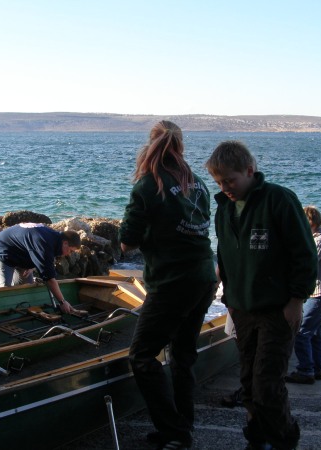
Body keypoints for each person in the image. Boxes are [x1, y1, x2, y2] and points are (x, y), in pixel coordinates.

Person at [205, 140, 317, 450]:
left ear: (250, 171)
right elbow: (225, 254)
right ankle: (258, 439)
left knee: (268, 384)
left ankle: (284, 440)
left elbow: (304, 254)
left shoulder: (279, 200)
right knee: (248, 385)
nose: (225, 187)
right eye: (219, 181)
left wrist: (297, 300)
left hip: (277, 309)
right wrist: (222, 290)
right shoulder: (224, 209)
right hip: (242, 308)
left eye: (231, 179)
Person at [119, 120, 216, 450]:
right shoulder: (198, 183)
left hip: (173, 281)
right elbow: (194, 227)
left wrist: (144, 237)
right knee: (183, 355)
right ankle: (182, 427)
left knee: (142, 357)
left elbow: (127, 240)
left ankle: (174, 432)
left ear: (151, 143)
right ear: (181, 145)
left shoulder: (149, 184)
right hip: (204, 276)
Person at [286, 206, 321, 384]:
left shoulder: (319, 240)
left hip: (319, 294)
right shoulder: (319, 239)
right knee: (315, 333)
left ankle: (306, 370)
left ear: (310, 222)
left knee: (302, 332)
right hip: (320, 294)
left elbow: (308, 263)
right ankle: (316, 368)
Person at [0, 223, 81, 314]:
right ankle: (2, 313)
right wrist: (62, 302)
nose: (69, 254)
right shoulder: (45, 244)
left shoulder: (55, 239)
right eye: (70, 251)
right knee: (5, 290)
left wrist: (32, 265)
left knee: (28, 286)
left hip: (22, 251)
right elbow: (49, 279)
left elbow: (37, 250)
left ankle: (20, 309)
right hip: (2, 248)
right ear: (65, 243)